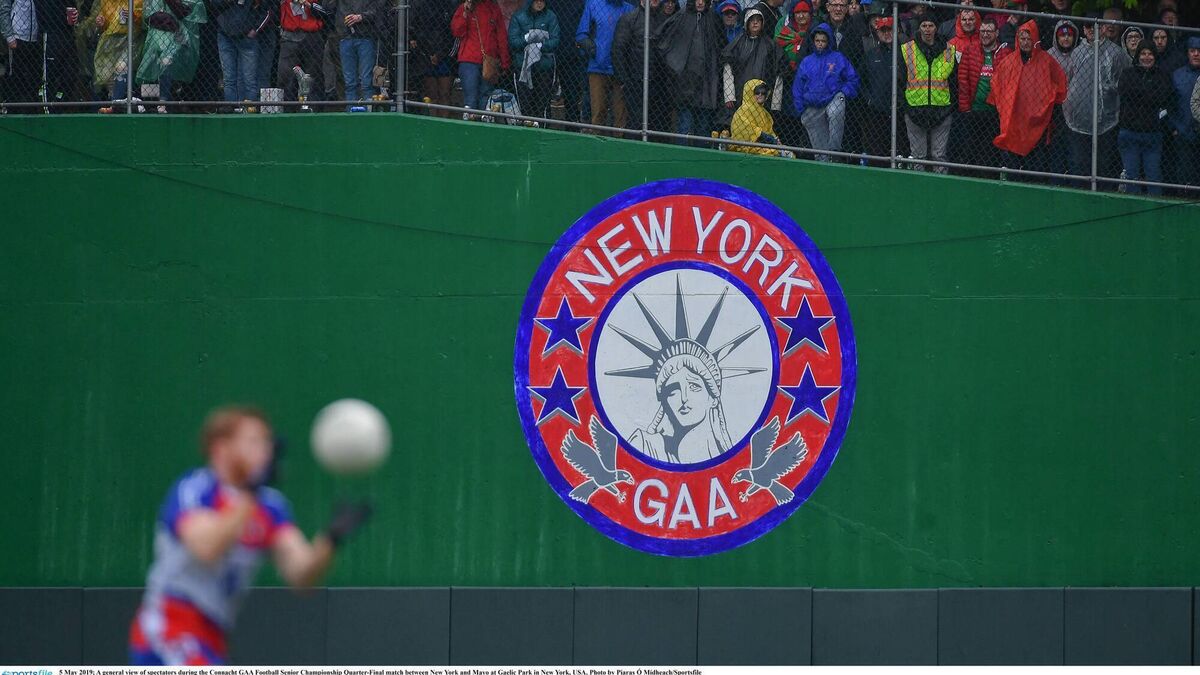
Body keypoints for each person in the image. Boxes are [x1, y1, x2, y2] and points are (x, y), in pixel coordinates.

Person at [127, 406, 372, 665]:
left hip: (213, 636)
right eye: (253, 441)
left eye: (266, 442)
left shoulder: (269, 506)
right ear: (220, 448)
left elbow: (301, 576)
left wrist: (331, 539)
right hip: (170, 627)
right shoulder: (195, 489)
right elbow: (206, 547)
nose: (265, 450)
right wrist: (250, 494)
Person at [988, 21, 1066, 174]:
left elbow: (1060, 84)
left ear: (1035, 39)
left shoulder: (1046, 61)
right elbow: (997, 83)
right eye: (1022, 39)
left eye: (1029, 39)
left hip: (1037, 122)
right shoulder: (1009, 61)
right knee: (1011, 162)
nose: (1025, 42)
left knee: (1035, 164)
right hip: (1013, 119)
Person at [1063, 16, 1129, 182]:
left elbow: (1123, 82)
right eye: (1088, 26)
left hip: (1107, 120)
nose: (1092, 30)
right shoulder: (1077, 52)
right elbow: (1070, 81)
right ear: (1084, 30)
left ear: (1104, 27)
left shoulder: (1115, 53)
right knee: (1079, 164)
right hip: (1079, 120)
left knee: (1104, 164)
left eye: (1096, 26)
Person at [655, 0, 722, 144]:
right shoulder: (682, 16)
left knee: (703, 127)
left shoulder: (713, 18)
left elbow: (720, 46)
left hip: (706, 84)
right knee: (684, 125)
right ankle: (682, 155)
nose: (700, 2)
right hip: (685, 83)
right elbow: (663, 40)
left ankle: (700, 155)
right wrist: (675, 68)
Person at [951, 15, 1012, 171]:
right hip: (974, 111)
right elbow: (963, 81)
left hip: (995, 113)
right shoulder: (970, 51)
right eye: (983, 31)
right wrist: (965, 109)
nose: (985, 35)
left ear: (997, 33)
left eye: (989, 31)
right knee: (971, 152)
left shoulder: (1005, 53)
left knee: (990, 154)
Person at [900, 16, 957, 172]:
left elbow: (954, 81)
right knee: (918, 156)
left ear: (936, 28)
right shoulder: (907, 49)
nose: (927, 29)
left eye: (930, 25)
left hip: (942, 108)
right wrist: (905, 106)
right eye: (924, 25)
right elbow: (900, 80)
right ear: (919, 28)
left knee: (939, 156)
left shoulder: (949, 50)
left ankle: (940, 185)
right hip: (914, 107)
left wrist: (951, 105)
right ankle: (918, 186)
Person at [794, 23, 857, 161]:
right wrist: (801, 109)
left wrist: (843, 92)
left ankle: (835, 151)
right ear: (813, 41)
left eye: (823, 41)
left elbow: (852, 79)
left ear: (829, 41)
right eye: (817, 40)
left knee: (836, 108)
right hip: (812, 104)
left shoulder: (838, 58)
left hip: (832, 99)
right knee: (821, 154)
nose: (820, 44)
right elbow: (798, 86)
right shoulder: (807, 61)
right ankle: (824, 159)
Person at [1117, 40, 1172, 195]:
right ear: (1138, 55)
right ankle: (1132, 206)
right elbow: (1124, 93)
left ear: (1155, 56)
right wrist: (1149, 92)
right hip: (1129, 132)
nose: (1146, 57)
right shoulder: (1127, 73)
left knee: (1153, 176)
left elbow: (1163, 97)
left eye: (1150, 54)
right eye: (1143, 53)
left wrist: (1139, 92)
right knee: (1131, 176)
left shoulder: (1162, 75)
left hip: (1152, 134)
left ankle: (1155, 207)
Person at [575, 0, 634, 132]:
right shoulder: (593, 5)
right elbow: (581, 34)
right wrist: (595, 51)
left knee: (620, 114)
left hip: (621, 69)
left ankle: (619, 141)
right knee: (598, 111)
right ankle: (597, 140)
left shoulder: (629, 9)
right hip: (598, 67)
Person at [613, 0, 671, 133]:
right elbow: (618, 50)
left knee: (658, 124)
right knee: (636, 123)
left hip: (659, 84)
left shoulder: (664, 20)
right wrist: (624, 80)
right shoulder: (629, 19)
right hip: (635, 82)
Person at [136, 0, 205, 104]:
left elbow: (186, 11)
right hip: (156, 35)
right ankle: (149, 101)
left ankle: (164, 101)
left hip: (178, 35)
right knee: (151, 66)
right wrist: (163, 19)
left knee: (167, 62)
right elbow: (147, 16)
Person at [722, 8, 784, 117]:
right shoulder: (737, 43)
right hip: (740, 94)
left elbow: (779, 72)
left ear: (762, 23)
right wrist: (729, 96)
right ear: (747, 22)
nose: (755, 22)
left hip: (762, 95)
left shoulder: (770, 45)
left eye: (758, 20)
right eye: (752, 20)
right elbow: (728, 69)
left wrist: (775, 103)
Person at [451, 0, 511, 109]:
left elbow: (501, 36)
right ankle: (471, 118)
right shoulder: (466, 7)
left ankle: (479, 118)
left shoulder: (493, 9)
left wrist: (504, 61)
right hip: (469, 59)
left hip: (488, 60)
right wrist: (465, 13)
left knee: (485, 97)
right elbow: (457, 31)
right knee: (471, 98)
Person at [326, 0, 383, 104]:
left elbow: (378, 11)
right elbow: (328, 8)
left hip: (366, 37)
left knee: (366, 81)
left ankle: (368, 109)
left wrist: (361, 17)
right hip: (345, 36)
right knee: (349, 82)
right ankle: (351, 109)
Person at [856, 14, 896, 163]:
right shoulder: (871, 55)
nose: (887, 33)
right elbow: (861, 80)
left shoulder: (904, 52)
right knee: (877, 151)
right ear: (877, 33)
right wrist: (869, 99)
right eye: (883, 31)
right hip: (877, 111)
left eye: (889, 29)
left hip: (899, 110)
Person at [509, 0, 559, 118]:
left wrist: (541, 45)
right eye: (536, 0)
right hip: (523, 67)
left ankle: (542, 125)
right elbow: (513, 42)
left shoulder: (551, 16)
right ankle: (525, 125)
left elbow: (555, 40)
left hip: (544, 67)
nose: (539, 3)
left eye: (542, 1)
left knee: (542, 104)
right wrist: (526, 39)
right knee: (524, 104)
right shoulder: (518, 16)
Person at [85, 0, 144, 101]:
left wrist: (134, 16)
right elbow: (106, 24)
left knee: (121, 67)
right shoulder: (107, 1)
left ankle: (115, 104)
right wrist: (102, 23)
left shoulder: (137, 1)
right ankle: (106, 103)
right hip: (110, 41)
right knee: (105, 77)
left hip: (132, 40)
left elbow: (146, 21)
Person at [211, 0, 266, 103]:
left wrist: (255, 29)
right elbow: (214, 5)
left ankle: (248, 109)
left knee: (249, 79)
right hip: (225, 34)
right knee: (229, 79)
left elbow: (267, 10)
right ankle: (231, 107)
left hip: (246, 36)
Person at [409, 0, 455, 116]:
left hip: (445, 56)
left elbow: (452, 34)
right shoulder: (420, 5)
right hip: (426, 55)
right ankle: (433, 121)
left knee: (444, 93)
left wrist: (441, 54)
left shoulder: (449, 5)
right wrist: (428, 53)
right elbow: (417, 30)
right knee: (431, 94)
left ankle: (444, 122)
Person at [273, 0, 324, 105]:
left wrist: (309, 4)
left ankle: (313, 108)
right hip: (289, 35)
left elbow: (327, 10)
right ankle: (288, 108)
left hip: (312, 35)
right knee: (285, 76)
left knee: (313, 75)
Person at [1168, 37, 1200, 188]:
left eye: (1199, 51)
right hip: (1183, 132)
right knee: (1184, 173)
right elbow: (1169, 104)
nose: (1196, 54)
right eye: (1192, 51)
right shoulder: (1177, 75)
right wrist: (1174, 128)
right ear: (1187, 53)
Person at [729, 78, 783, 154]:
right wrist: (769, 138)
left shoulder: (764, 112)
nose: (760, 95)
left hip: (762, 144)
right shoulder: (743, 109)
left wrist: (775, 139)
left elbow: (769, 130)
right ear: (750, 93)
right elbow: (747, 129)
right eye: (757, 92)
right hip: (745, 145)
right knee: (773, 153)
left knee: (784, 152)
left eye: (763, 92)